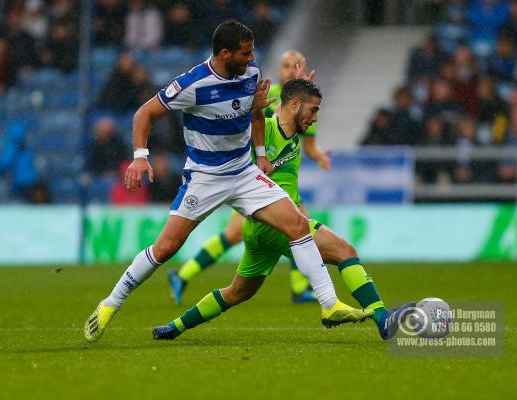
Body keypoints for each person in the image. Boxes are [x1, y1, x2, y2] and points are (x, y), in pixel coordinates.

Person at [84, 20, 369, 343]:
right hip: (204, 178)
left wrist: (261, 154)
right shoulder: (193, 84)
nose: (251, 59)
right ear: (224, 53)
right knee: (165, 248)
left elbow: (257, 113)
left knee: (297, 224)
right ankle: (110, 304)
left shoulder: (250, 74)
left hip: (244, 172)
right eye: (245, 53)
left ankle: (329, 305)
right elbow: (143, 114)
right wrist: (140, 156)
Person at [152, 80, 415, 341]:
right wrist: (252, 108)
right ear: (295, 105)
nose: (314, 119)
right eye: (312, 111)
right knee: (345, 251)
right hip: (277, 223)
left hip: (259, 231)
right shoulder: (263, 131)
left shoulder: (294, 139)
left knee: (237, 292)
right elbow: (246, 126)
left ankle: (174, 327)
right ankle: (382, 318)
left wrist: (300, 87)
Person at [168, 50, 329, 306]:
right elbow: (256, 124)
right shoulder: (267, 91)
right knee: (240, 234)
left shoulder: (307, 105)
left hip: (278, 179)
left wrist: (319, 156)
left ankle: (300, 288)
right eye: (286, 66)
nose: (290, 71)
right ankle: (182, 274)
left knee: (297, 224)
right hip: (251, 177)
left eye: (294, 66)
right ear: (279, 69)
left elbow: (307, 142)